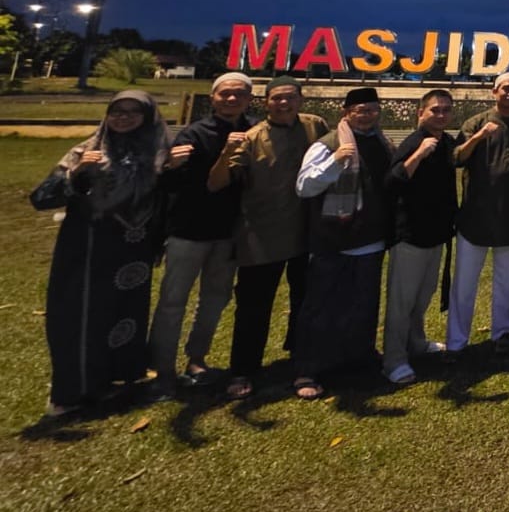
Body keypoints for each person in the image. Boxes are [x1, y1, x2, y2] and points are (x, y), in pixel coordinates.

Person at [30, 91, 171, 418]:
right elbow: (41, 198)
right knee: (80, 318)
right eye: (116, 111)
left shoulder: (157, 152)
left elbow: (164, 199)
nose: (123, 117)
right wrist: (77, 174)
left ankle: (115, 379)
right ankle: (70, 391)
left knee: (124, 316)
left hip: (133, 252)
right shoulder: (88, 151)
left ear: (148, 117)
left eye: (133, 112)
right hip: (89, 249)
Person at [212, 75, 328, 400]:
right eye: (276, 98)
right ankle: (243, 369)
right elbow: (217, 183)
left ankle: (304, 366)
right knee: (253, 307)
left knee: (307, 304)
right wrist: (226, 153)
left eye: (290, 97)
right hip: (261, 236)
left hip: (307, 233)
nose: (283, 103)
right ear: (265, 102)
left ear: (301, 100)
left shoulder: (315, 126)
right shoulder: (251, 138)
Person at [146, 72, 254, 400]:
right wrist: (169, 167)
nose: (231, 99)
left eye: (239, 94)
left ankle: (197, 359)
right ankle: (162, 370)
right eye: (225, 93)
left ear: (249, 99)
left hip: (228, 232)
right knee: (172, 301)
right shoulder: (193, 134)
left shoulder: (254, 131)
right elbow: (167, 185)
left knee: (215, 298)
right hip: (189, 231)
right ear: (213, 97)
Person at [292, 87, 395, 398]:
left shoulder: (381, 142)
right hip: (333, 240)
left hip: (370, 239)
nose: (367, 116)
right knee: (321, 307)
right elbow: (304, 187)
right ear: (346, 112)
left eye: (372, 110)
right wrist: (336, 162)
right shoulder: (328, 145)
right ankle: (308, 370)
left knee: (363, 307)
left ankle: (356, 360)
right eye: (360, 110)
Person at [449, 72, 509, 354]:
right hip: (475, 215)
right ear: (494, 91)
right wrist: (478, 138)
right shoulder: (476, 122)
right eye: (506, 88)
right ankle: (456, 341)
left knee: (506, 280)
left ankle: (503, 333)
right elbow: (457, 158)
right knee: (464, 282)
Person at [381, 88, 457, 384]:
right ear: (420, 113)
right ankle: (393, 360)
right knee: (401, 302)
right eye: (435, 109)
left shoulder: (446, 142)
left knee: (423, 295)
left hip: (435, 234)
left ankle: (416, 342)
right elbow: (392, 181)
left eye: (446, 110)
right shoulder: (414, 142)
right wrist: (420, 154)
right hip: (409, 235)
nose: (441, 115)